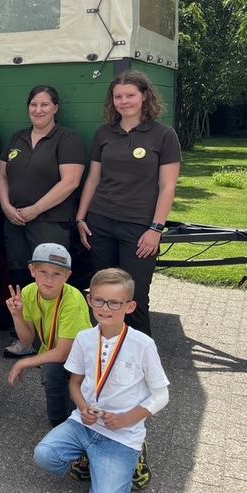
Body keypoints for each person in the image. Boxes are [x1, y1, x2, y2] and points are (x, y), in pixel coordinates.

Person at [34, 268, 169, 493]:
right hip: (83, 424)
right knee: (44, 456)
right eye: (99, 300)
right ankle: (90, 456)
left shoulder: (143, 345)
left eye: (115, 303)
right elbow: (75, 383)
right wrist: (82, 407)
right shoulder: (84, 338)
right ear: (90, 300)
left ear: (129, 306)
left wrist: (127, 419)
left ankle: (134, 457)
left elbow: (161, 395)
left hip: (122, 432)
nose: (105, 308)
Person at [75, 71, 180, 335]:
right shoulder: (104, 134)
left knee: (134, 298)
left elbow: (167, 187)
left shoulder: (164, 136)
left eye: (130, 95)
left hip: (139, 228)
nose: (124, 101)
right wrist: (81, 218)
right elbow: (93, 180)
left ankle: (140, 362)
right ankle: (105, 352)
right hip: (100, 223)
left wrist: (156, 229)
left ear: (144, 96)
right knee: (102, 295)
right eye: (118, 96)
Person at [0, 85, 86, 293]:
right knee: (20, 277)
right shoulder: (17, 137)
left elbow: (70, 182)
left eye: (45, 104)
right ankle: (22, 325)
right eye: (34, 104)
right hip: (15, 221)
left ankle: (51, 325)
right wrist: (6, 206)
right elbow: (1, 175)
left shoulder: (67, 138)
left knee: (49, 279)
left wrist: (35, 209)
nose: (38, 109)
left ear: (55, 108)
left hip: (50, 223)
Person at [5, 244, 92, 427]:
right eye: (43, 272)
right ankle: (60, 424)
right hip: (58, 356)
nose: (49, 279)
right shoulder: (28, 292)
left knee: (52, 370)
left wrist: (23, 362)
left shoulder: (73, 301)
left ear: (67, 276)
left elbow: (62, 353)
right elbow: (27, 340)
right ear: (32, 270)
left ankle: (71, 419)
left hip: (85, 362)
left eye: (57, 274)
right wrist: (16, 315)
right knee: (51, 371)